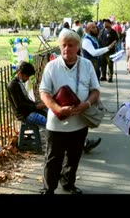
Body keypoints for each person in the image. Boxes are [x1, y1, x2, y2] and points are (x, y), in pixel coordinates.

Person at [39, 29, 101, 194]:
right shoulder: (52, 66)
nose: (66, 49)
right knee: (53, 158)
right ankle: (48, 188)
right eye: (63, 45)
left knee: (73, 157)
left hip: (80, 122)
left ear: (78, 47)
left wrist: (86, 104)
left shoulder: (86, 65)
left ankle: (68, 183)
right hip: (56, 123)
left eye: (70, 45)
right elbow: (44, 93)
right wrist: (59, 109)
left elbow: (95, 91)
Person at [7, 61, 102, 154]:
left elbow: (27, 101)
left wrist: (38, 105)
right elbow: (20, 106)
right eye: (26, 76)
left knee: (58, 116)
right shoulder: (13, 85)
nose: (27, 79)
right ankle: (70, 144)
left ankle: (82, 142)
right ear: (20, 73)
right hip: (25, 114)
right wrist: (37, 107)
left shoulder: (19, 84)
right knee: (51, 123)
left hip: (31, 110)